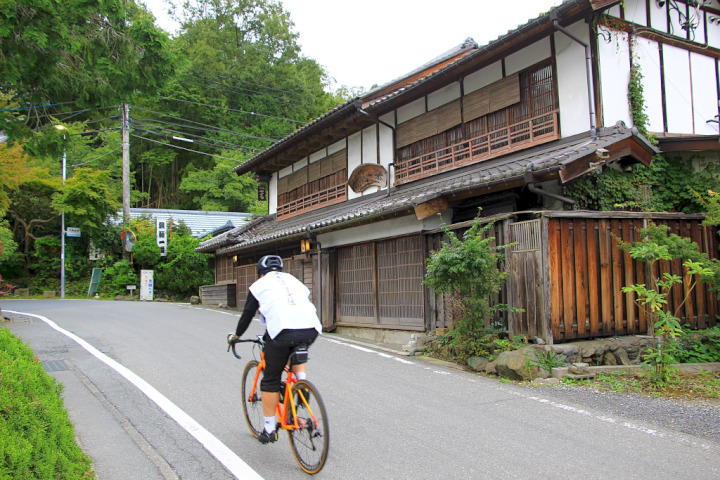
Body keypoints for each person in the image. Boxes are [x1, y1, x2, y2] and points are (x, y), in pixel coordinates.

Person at [229, 255, 321, 444]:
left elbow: (247, 314)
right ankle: (302, 384)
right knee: (296, 348)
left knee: (270, 378)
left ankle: (269, 429)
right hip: (311, 328)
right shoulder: (293, 280)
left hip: (282, 331)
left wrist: (236, 336)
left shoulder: (258, 285)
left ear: (260, 273)